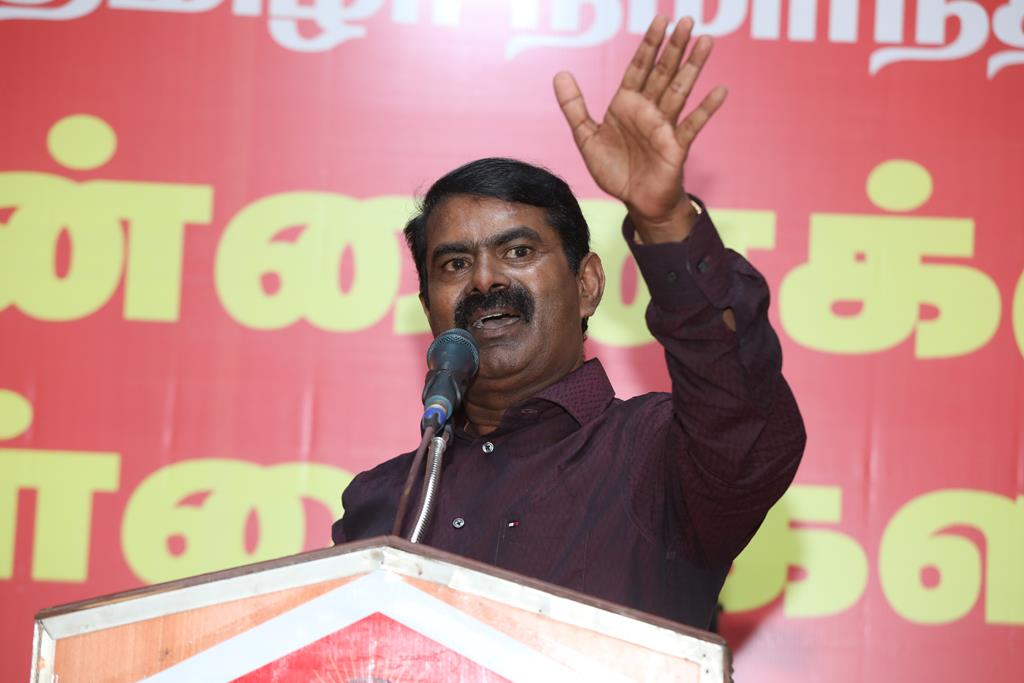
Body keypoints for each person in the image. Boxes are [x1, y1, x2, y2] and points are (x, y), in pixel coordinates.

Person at [331, 16, 805, 631]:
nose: (484, 280)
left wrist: (664, 221)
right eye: (454, 264)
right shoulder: (382, 502)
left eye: (518, 251)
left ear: (587, 286)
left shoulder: (658, 455)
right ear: (429, 309)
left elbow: (746, 420)